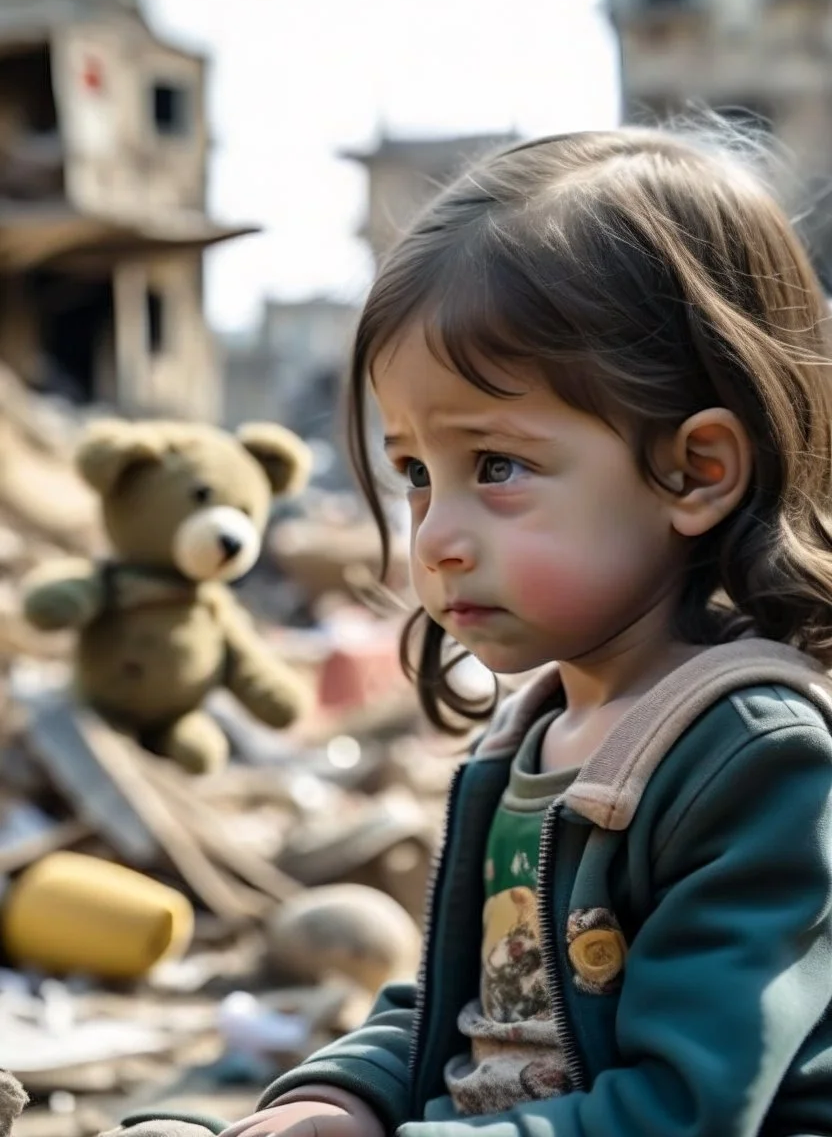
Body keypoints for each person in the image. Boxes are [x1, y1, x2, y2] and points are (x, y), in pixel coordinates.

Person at [120, 124, 832, 1137]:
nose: (437, 537)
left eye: (493, 465)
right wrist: (338, 1099)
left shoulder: (752, 759)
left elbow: (682, 1109)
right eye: (415, 473)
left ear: (695, 471)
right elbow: (475, 1009)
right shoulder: (534, 732)